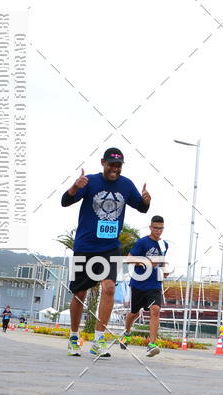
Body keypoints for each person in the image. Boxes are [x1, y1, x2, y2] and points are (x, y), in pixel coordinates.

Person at [62, 147, 150, 357]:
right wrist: (75, 187)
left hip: (110, 247)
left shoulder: (126, 184)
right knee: (80, 294)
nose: (115, 169)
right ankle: (74, 337)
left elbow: (142, 207)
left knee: (109, 288)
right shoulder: (90, 182)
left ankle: (99, 340)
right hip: (85, 246)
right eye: (111, 164)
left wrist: (146, 200)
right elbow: (65, 201)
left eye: (119, 165)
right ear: (103, 163)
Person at [121, 216, 169, 357]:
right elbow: (129, 258)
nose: (158, 231)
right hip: (138, 283)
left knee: (155, 310)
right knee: (134, 313)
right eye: (155, 228)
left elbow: (163, 260)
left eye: (160, 228)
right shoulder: (142, 242)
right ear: (150, 227)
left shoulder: (164, 245)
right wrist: (146, 262)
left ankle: (152, 344)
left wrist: (165, 269)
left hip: (154, 284)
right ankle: (127, 333)